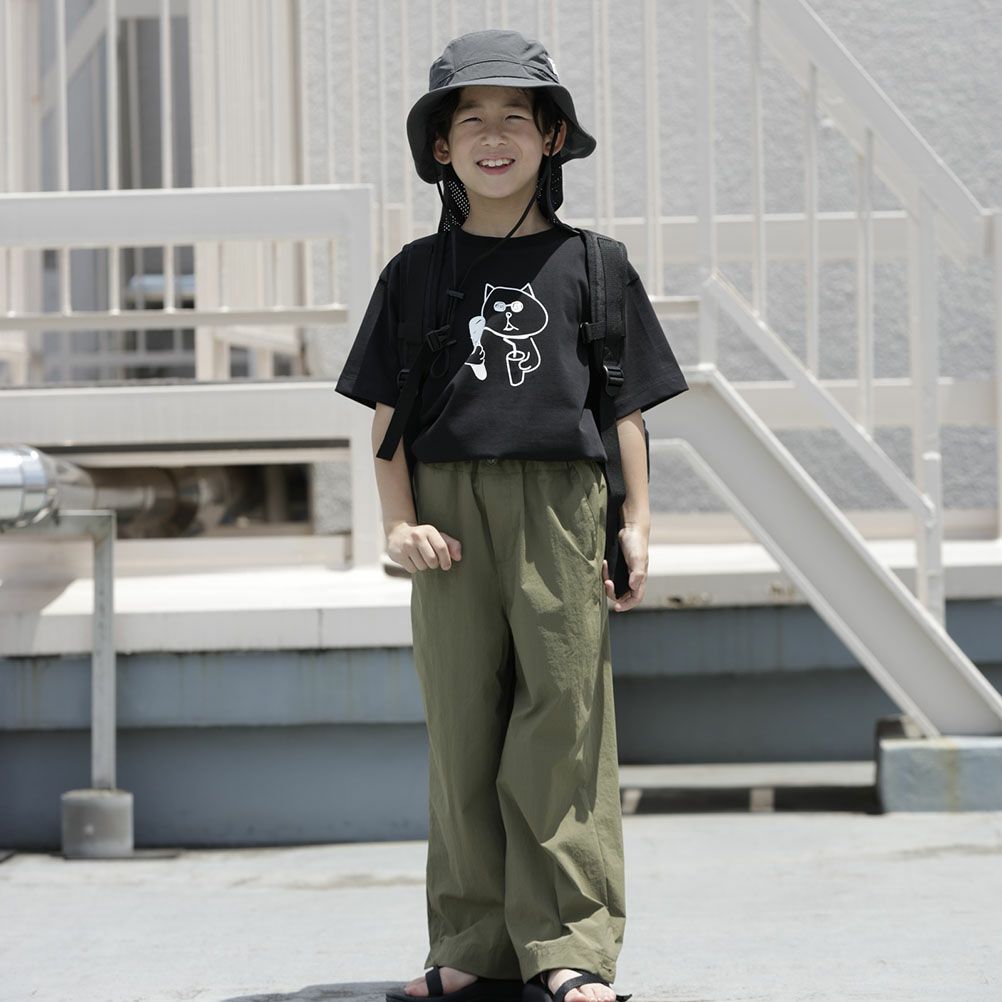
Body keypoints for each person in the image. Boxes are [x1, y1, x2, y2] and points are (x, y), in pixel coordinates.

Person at [335, 28, 688, 1002]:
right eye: (471, 120)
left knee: (562, 727)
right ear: (440, 148)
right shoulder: (414, 273)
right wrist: (397, 525)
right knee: (462, 727)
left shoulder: (596, 266)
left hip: (562, 508)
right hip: (448, 516)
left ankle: (569, 944)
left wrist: (637, 521)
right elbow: (388, 416)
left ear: (552, 138)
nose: (494, 137)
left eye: (516, 118)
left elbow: (625, 409)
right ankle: (471, 942)